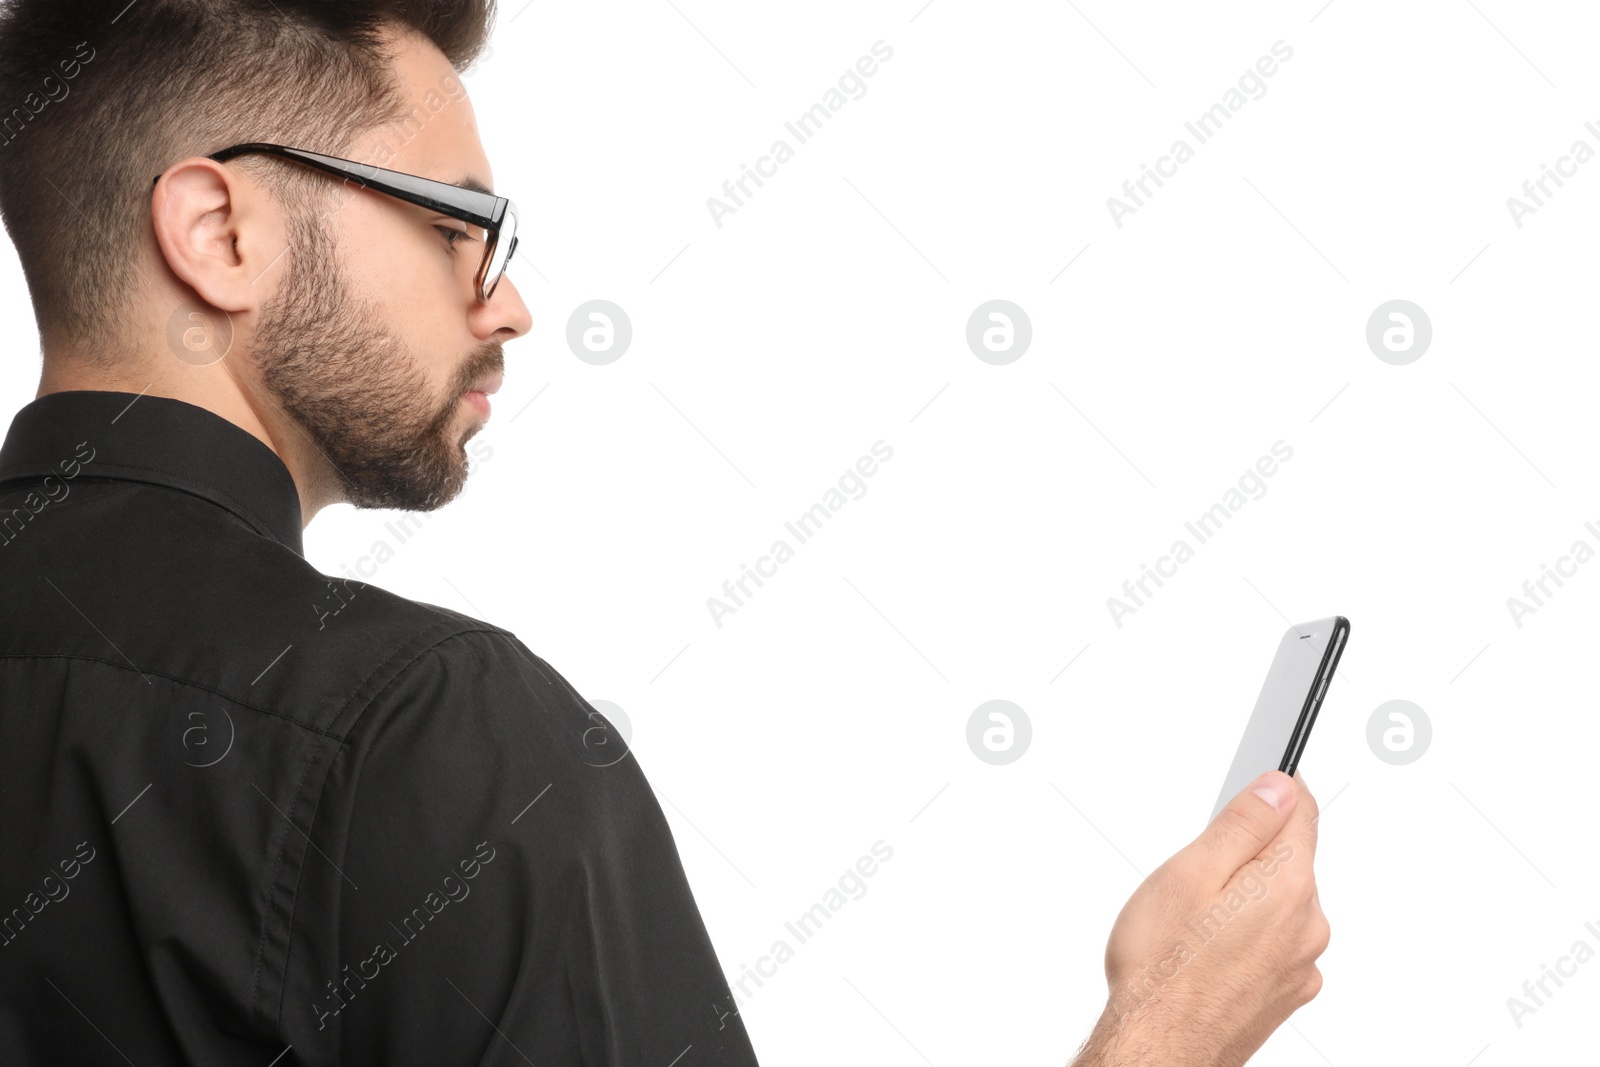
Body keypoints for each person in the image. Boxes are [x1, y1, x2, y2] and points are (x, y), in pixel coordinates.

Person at [0, 2, 1328, 1064]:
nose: (508, 304)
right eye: (460, 222)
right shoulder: (427, 734)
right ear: (221, 230)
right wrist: (1167, 1037)